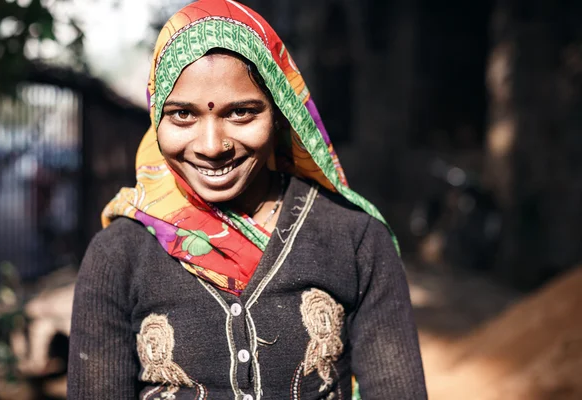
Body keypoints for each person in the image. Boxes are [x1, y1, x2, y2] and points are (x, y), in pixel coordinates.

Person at [67, 0, 427, 399]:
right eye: (182, 115)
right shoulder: (118, 255)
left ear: (280, 113)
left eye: (241, 112)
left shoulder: (355, 239)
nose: (211, 146)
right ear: (156, 119)